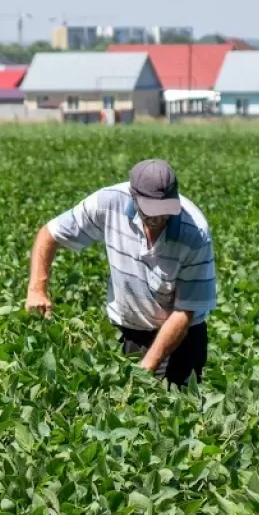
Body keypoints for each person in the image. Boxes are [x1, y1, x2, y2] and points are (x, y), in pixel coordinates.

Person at [26, 159, 216, 387]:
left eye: (165, 212)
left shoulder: (194, 233)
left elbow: (184, 313)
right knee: (125, 411)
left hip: (182, 339)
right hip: (128, 331)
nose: (158, 219)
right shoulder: (108, 203)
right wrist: (37, 289)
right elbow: (50, 233)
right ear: (133, 198)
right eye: (151, 212)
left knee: (178, 411)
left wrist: (147, 369)